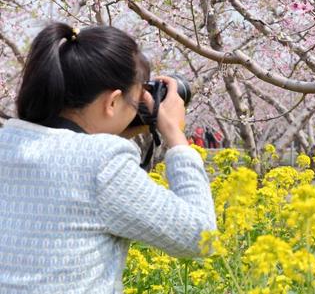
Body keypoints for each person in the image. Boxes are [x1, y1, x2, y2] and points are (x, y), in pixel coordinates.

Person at [0, 23, 216, 293]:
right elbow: (201, 238)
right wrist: (175, 136)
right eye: (137, 99)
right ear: (112, 102)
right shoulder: (103, 164)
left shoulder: (7, 141)